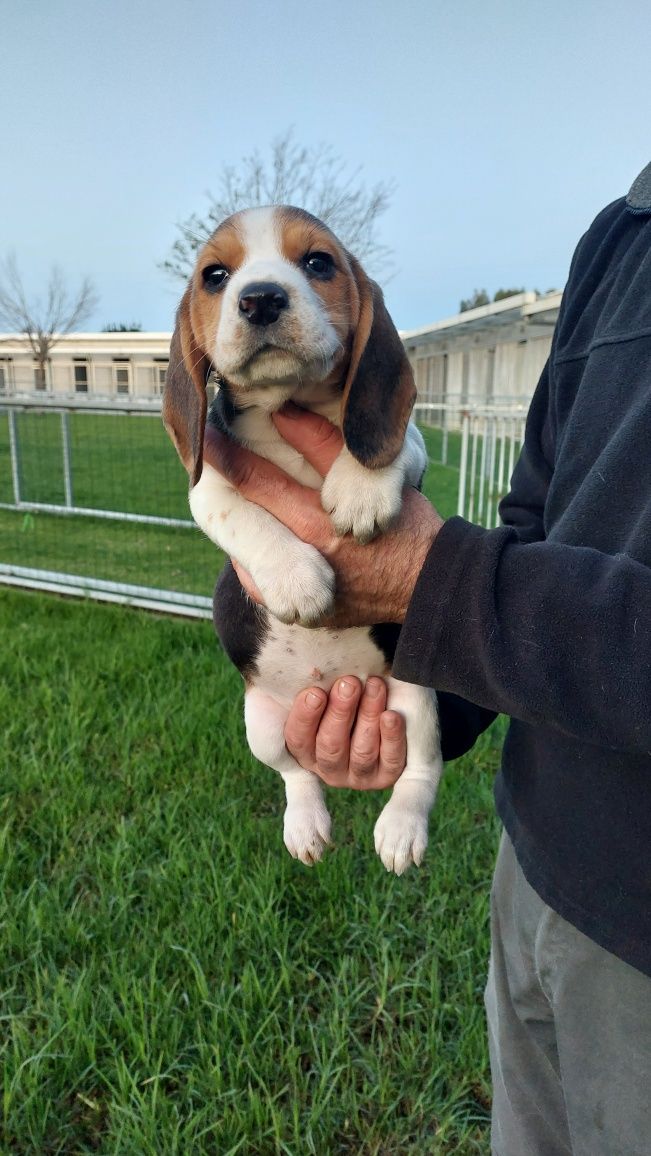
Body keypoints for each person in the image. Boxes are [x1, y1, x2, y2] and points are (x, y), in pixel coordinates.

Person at [203, 161, 651, 1156]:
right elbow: (535, 522)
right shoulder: (621, 235)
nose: (266, 287)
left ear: (358, 310)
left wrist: (414, 563)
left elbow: (423, 534)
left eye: (314, 264)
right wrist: (433, 710)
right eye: (219, 277)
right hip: (531, 856)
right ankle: (304, 789)